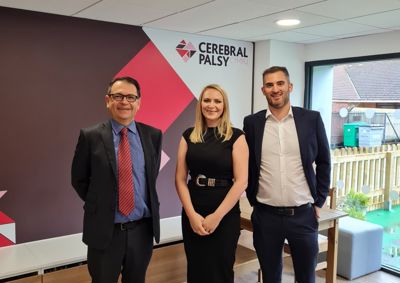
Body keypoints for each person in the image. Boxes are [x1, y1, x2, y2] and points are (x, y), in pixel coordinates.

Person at [243, 66, 331, 283]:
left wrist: (319, 202)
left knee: (306, 277)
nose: (275, 89)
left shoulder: (311, 119)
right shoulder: (252, 123)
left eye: (280, 83)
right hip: (265, 216)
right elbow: (247, 164)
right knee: (271, 277)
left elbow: (324, 162)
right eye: (270, 85)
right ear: (263, 90)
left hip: (302, 215)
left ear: (290, 86)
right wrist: (252, 199)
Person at [71, 76, 162, 283]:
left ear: (139, 102)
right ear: (107, 100)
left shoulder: (153, 135)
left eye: (131, 97)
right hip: (105, 232)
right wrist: (102, 203)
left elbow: (150, 177)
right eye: (118, 96)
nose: (124, 102)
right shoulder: (90, 136)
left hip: (141, 232)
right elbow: (79, 179)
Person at [175, 84, 249, 283]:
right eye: (207, 100)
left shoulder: (236, 136)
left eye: (217, 101)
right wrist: (191, 215)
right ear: (200, 105)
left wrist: (216, 216)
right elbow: (180, 180)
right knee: (197, 269)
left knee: (221, 269)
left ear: (224, 105)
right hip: (194, 210)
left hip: (224, 213)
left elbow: (241, 182)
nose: (212, 105)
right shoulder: (188, 135)